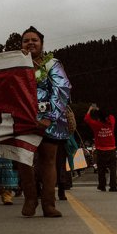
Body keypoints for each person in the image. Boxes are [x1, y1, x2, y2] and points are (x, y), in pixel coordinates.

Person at [17, 27, 72, 218]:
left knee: (48, 160)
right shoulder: (15, 65)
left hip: (50, 120)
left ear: (42, 43)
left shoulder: (52, 64)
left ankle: (49, 203)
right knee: (24, 160)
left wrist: (50, 118)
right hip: (24, 120)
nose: (30, 43)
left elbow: (61, 90)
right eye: (26, 40)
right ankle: (30, 198)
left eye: (34, 40)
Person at [84, 104, 117, 192]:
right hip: (112, 149)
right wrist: (101, 111)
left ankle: (102, 185)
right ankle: (113, 186)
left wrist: (91, 109)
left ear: (99, 117)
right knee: (113, 169)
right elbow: (111, 116)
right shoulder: (111, 122)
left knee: (101, 169)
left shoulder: (96, 125)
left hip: (101, 150)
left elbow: (87, 119)